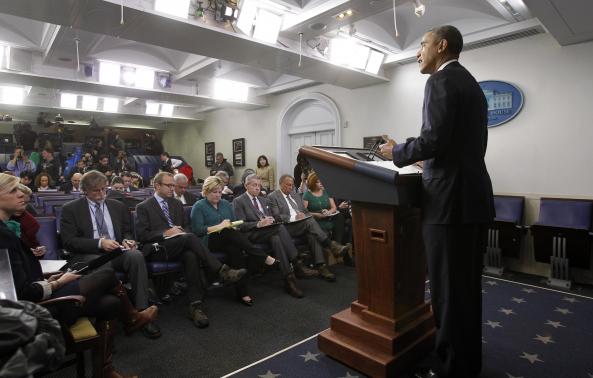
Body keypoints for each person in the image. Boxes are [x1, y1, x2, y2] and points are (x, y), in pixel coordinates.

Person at [380, 25, 494, 378]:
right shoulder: (471, 84)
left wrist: (395, 152)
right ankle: (465, 363)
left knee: (447, 291)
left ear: (441, 46)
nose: (418, 52)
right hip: (470, 198)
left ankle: (450, 368)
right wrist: (424, 160)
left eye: (423, 44)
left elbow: (432, 139)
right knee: (465, 290)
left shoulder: (441, 81)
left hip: (448, 204)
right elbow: (454, 145)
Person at [0, 172, 157, 378]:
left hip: (41, 291)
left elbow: (18, 279)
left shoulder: (6, 231)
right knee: (107, 278)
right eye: (13, 190)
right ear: (85, 191)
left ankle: (109, 362)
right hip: (38, 307)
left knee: (115, 292)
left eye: (104, 189)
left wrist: (49, 279)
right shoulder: (7, 234)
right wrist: (58, 283)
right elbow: (22, 291)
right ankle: (131, 319)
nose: (21, 194)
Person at [135, 172, 246, 328]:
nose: (172, 188)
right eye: (169, 185)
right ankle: (222, 270)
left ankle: (195, 306)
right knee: (190, 238)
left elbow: (186, 227)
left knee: (190, 256)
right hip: (158, 248)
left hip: (181, 244)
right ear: (157, 186)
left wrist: (181, 232)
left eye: (173, 185)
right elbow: (142, 235)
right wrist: (166, 233)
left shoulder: (176, 204)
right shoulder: (143, 207)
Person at [60, 170, 161, 339]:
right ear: (84, 190)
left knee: (136, 256)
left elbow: (127, 232)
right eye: (96, 191)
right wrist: (99, 243)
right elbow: (69, 242)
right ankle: (109, 321)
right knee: (103, 265)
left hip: (116, 251)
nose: (101, 194)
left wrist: (128, 241)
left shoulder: (117, 206)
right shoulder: (71, 209)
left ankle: (141, 311)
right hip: (89, 255)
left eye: (104, 189)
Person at [191, 176, 280, 306]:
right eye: (214, 192)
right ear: (205, 192)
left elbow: (234, 224)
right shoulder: (198, 206)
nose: (217, 195)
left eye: (219, 192)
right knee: (227, 232)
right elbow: (197, 231)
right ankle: (263, 257)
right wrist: (219, 226)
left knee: (235, 249)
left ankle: (242, 292)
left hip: (228, 239)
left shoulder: (226, 204)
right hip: (208, 241)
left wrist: (232, 225)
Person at [233, 174, 315, 298]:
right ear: (246, 185)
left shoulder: (263, 199)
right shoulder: (239, 201)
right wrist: (259, 224)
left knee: (276, 238)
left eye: (259, 185)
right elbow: (240, 225)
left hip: (268, 231)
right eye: (254, 185)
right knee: (279, 227)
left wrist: (269, 219)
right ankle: (296, 261)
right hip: (252, 233)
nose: (257, 188)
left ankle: (289, 280)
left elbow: (270, 216)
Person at [269, 174, 351, 281]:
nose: (290, 187)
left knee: (313, 234)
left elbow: (306, 211)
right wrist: (294, 216)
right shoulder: (273, 196)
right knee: (309, 221)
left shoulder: (295, 195)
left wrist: (304, 215)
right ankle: (331, 245)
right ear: (280, 184)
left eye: (292, 185)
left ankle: (321, 266)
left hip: (302, 224)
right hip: (287, 227)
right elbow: (276, 216)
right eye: (288, 185)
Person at [303, 172, 349, 247]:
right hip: (316, 220)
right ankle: (337, 248)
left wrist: (329, 212)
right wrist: (316, 214)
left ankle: (338, 244)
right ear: (312, 182)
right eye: (318, 182)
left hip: (328, 217)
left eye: (321, 181)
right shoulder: (307, 194)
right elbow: (304, 212)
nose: (321, 183)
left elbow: (334, 207)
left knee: (340, 216)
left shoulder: (326, 191)